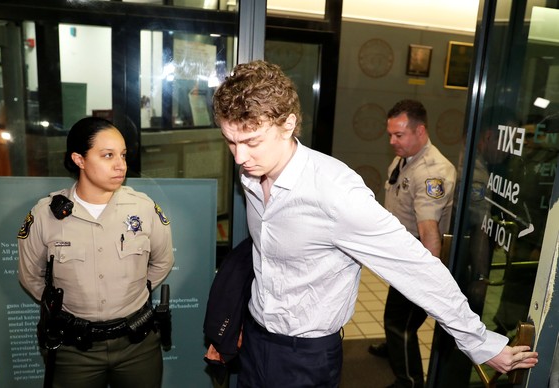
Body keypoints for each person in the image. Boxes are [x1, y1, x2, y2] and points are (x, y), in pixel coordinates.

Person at [211, 60, 537, 388]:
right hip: (254, 341)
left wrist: (478, 341)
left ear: (288, 124)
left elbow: (415, 266)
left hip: (305, 357)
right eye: (230, 141)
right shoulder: (250, 176)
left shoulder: (335, 193)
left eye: (252, 142)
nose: (239, 157)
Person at [17, 116, 174, 388]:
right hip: (74, 349)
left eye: (123, 155)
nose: (120, 165)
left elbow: (162, 262)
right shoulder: (45, 215)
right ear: (79, 159)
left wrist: (129, 295)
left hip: (137, 344)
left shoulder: (143, 208)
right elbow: (30, 275)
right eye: (108, 155)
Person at [367, 99, 456, 388]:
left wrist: (428, 276)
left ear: (420, 131)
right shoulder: (405, 158)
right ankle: (395, 348)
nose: (392, 141)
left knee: (398, 321)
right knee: (399, 316)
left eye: (399, 135)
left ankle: (409, 381)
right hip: (401, 252)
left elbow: (429, 227)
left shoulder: (433, 171)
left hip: (419, 255)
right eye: (390, 134)